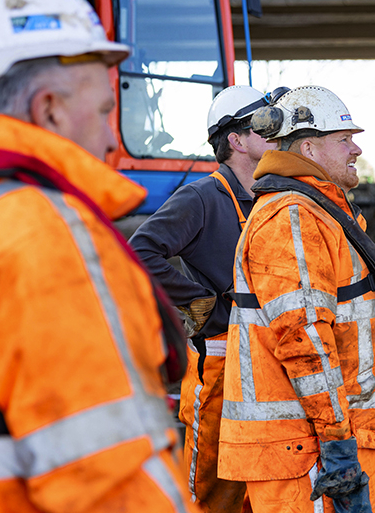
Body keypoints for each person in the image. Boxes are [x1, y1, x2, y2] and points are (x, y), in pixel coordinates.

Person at [0, 0, 197, 512]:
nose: (111, 139)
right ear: (49, 110)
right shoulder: (40, 234)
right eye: (102, 112)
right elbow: (107, 478)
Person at [218, 86, 375, 513]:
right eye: (343, 139)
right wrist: (336, 442)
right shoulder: (293, 218)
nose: (356, 147)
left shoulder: (316, 211)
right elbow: (304, 339)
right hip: (307, 451)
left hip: (314, 443)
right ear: (307, 148)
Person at [128, 84, 284, 511]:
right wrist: (201, 301)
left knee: (266, 489)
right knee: (210, 492)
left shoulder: (275, 197)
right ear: (235, 140)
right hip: (220, 363)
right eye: (263, 124)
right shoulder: (202, 198)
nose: (275, 131)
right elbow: (141, 252)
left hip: (274, 363)